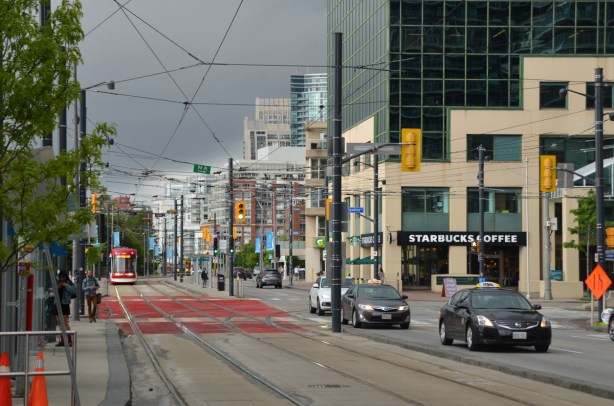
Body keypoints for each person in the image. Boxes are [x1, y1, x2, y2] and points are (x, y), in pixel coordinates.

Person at [51, 270, 77, 347]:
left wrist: (66, 285)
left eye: (63, 277)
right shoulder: (57, 282)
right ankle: (62, 340)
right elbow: (52, 290)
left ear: (65, 277)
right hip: (57, 303)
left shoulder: (68, 283)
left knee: (65, 323)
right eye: (60, 277)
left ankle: (69, 340)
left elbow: (74, 290)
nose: (61, 279)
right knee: (59, 323)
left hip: (64, 304)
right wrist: (57, 287)